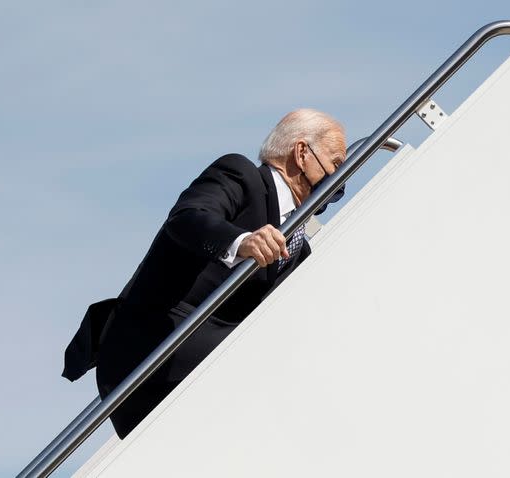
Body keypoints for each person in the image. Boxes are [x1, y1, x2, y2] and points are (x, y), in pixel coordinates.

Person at [62, 109, 347, 438]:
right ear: (301, 153)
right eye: (336, 164)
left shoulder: (300, 247)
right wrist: (240, 241)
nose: (338, 182)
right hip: (158, 350)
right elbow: (188, 218)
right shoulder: (242, 176)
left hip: (220, 372)